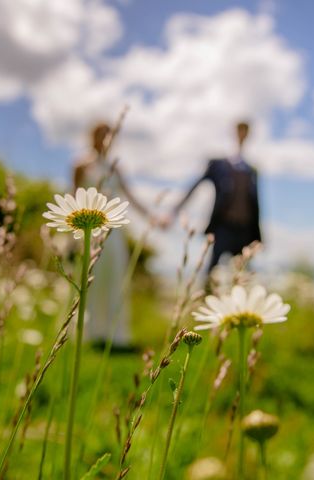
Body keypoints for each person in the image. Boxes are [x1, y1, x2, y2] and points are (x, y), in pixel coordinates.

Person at [73, 122, 151, 348]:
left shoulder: (115, 168)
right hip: (87, 228)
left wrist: (152, 216)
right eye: (101, 134)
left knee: (115, 277)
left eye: (109, 135)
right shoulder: (81, 165)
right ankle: (88, 331)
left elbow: (130, 196)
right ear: (92, 137)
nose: (105, 139)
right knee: (90, 278)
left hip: (113, 229)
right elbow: (73, 195)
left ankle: (115, 333)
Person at [165, 121, 262, 272]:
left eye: (245, 131)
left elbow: (256, 205)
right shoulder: (219, 165)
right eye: (240, 131)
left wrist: (257, 237)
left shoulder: (252, 170)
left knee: (242, 274)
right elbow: (194, 186)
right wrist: (173, 212)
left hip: (245, 232)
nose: (242, 135)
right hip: (223, 228)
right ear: (234, 133)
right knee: (212, 272)